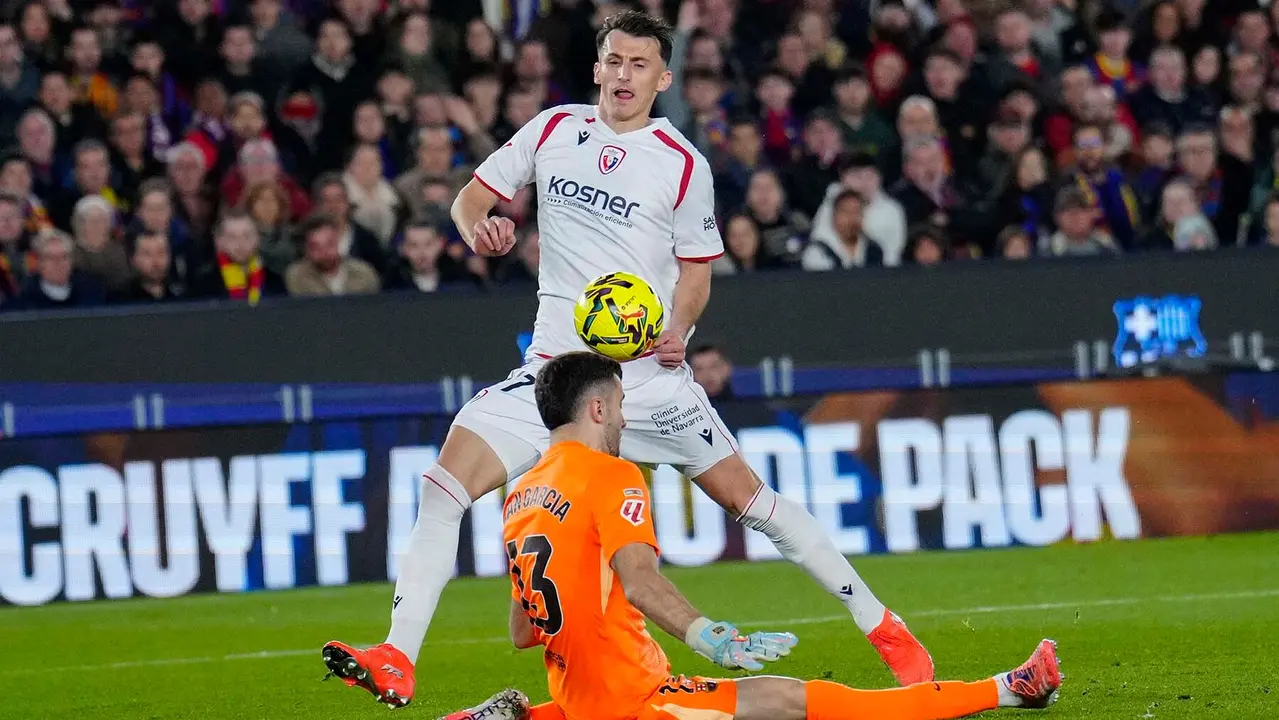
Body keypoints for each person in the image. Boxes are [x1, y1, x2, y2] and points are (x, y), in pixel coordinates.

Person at [321, 11, 933, 709]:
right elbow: (470, 199)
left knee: (750, 501)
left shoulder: (680, 164)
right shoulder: (553, 130)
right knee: (444, 485)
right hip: (556, 372)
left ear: (662, 77)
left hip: (646, 376)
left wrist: (679, 328)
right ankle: (398, 654)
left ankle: (881, 624)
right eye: (612, 60)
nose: (622, 75)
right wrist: (478, 228)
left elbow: (697, 273)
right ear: (595, 67)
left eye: (638, 64)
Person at [429, 352, 1063, 720]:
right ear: (597, 409)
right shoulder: (611, 474)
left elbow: (522, 630)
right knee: (810, 703)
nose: (624, 418)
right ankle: (1011, 688)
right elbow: (642, 581)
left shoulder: (518, 495)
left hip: (581, 695)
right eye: (620, 406)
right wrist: (711, 636)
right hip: (638, 702)